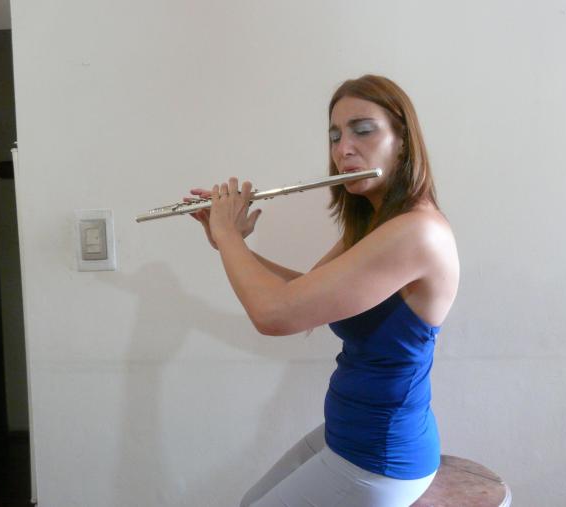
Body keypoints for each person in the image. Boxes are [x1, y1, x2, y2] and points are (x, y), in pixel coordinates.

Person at [187, 75, 460, 507]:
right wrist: (231, 245)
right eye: (335, 136)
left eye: (363, 130)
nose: (343, 149)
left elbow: (275, 315)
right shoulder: (378, 224)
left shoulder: (416, 233)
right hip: (351, 434)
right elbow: (303, 294)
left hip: (381, 457)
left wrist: (229, 237)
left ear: (403, 142)